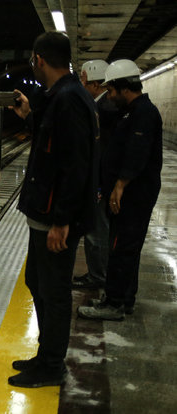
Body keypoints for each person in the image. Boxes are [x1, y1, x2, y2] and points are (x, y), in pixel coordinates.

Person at [7, 32, 99, 388]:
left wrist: (62, 221)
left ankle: (51, 365)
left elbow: (74, 166)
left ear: (39, 59)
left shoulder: (70, 100)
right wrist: (31, 116)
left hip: (54, 219)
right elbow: (53, 146)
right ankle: (45, 356)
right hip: (44, 215)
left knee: (54, 292)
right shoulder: (63, 97)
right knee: (38, 283)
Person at [78, 59, 163, 321]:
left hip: (134, 195)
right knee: (126, 247)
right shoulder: (132, 111)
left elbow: (136, 155)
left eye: (112, 89)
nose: (109, 95)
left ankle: (113, 304)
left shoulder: (143, 113)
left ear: (124, 87)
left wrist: (119, 186)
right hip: (130, 193)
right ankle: (124, 299)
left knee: (120, 247)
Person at [73, 60, 121, 289]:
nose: (80, 85)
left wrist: (99, 186)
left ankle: (98, 277)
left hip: (101, 183)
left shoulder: (103, 110)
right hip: (102, 181)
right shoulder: (104, 107)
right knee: (97, 231)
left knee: (96, 232)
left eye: (82, 80)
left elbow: (104, 152)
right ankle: (97, 273)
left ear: (94, 84)